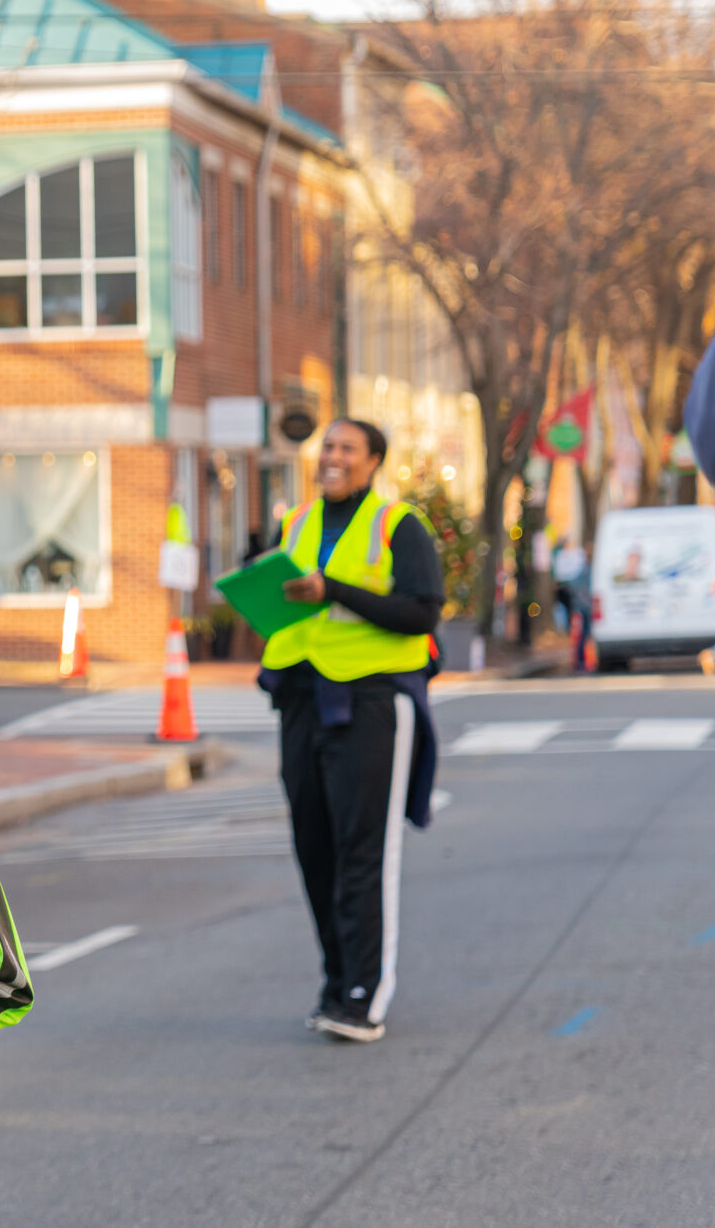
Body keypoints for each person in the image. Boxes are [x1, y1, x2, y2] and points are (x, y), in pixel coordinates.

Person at [264, 417, 440, 1044]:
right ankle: (335, 984)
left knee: (363, 852)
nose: (332, 457)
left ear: (373, 463)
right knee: (314, 850)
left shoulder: (399, 526)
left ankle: (364, 996)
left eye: (347, 449)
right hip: (303, 698)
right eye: (327, 447)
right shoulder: (294, 523)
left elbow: (423, 610)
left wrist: (331, 588)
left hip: (370, 702)